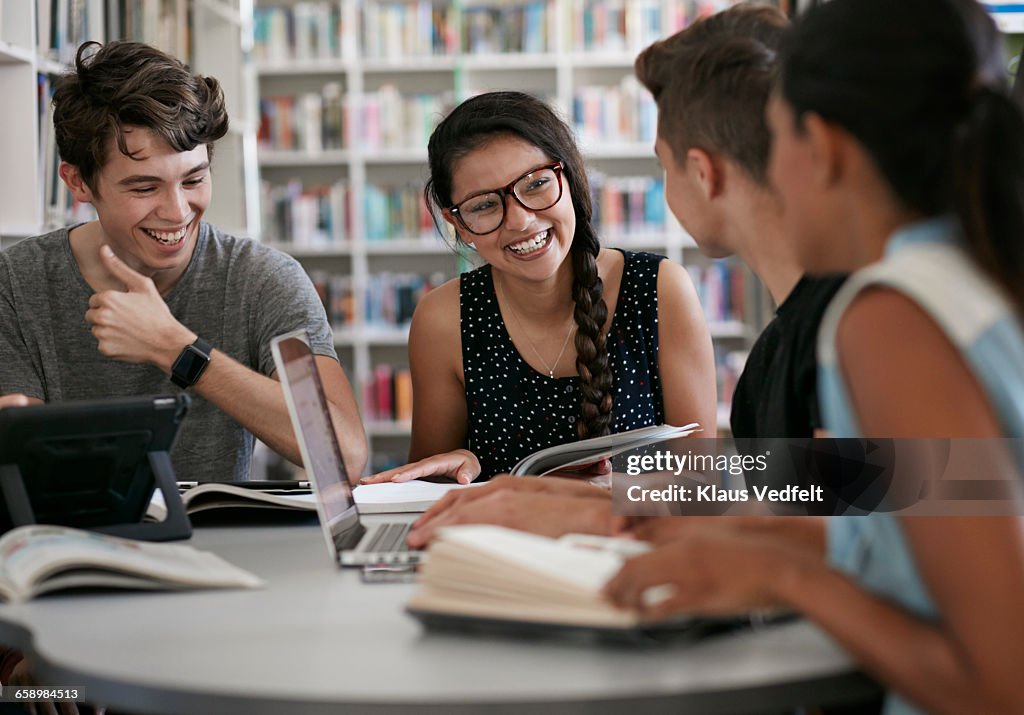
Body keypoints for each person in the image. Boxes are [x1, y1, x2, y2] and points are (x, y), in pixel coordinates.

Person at [605, 1, 1024, 712]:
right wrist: (622, 492)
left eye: (774, 138)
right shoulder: (973, 273)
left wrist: (783, 576)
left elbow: (1004, 680)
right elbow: (882, 510)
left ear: (822, 147)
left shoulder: (891, 317)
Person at [405, 4, 843, 547]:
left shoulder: (851, 323)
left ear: (703, 172)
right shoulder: (794, 339)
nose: (519, 218)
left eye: (662, 163)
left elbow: (916, 495)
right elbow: (816, 504)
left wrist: (593, 507)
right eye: (485, 205)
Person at [0, 40, 367, 482]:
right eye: (143, 188)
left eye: (194, 179)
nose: (177, 212)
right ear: (77, 182)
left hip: (221, 546)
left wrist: (175, 349)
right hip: (71, 545)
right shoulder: (15, 284)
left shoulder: (262, 279)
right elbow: (24, 473)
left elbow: (343, 454)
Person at [362, 91, 717, 485]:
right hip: (500, 546)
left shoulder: (660, 289)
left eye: (536, 185)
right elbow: (423, 496)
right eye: (484, 205)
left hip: (636, 543)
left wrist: (619, 494)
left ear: (570, 175)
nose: (520, 221)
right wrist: (458, 467)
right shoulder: (443, 319)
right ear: (458, 224)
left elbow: (703, 489)